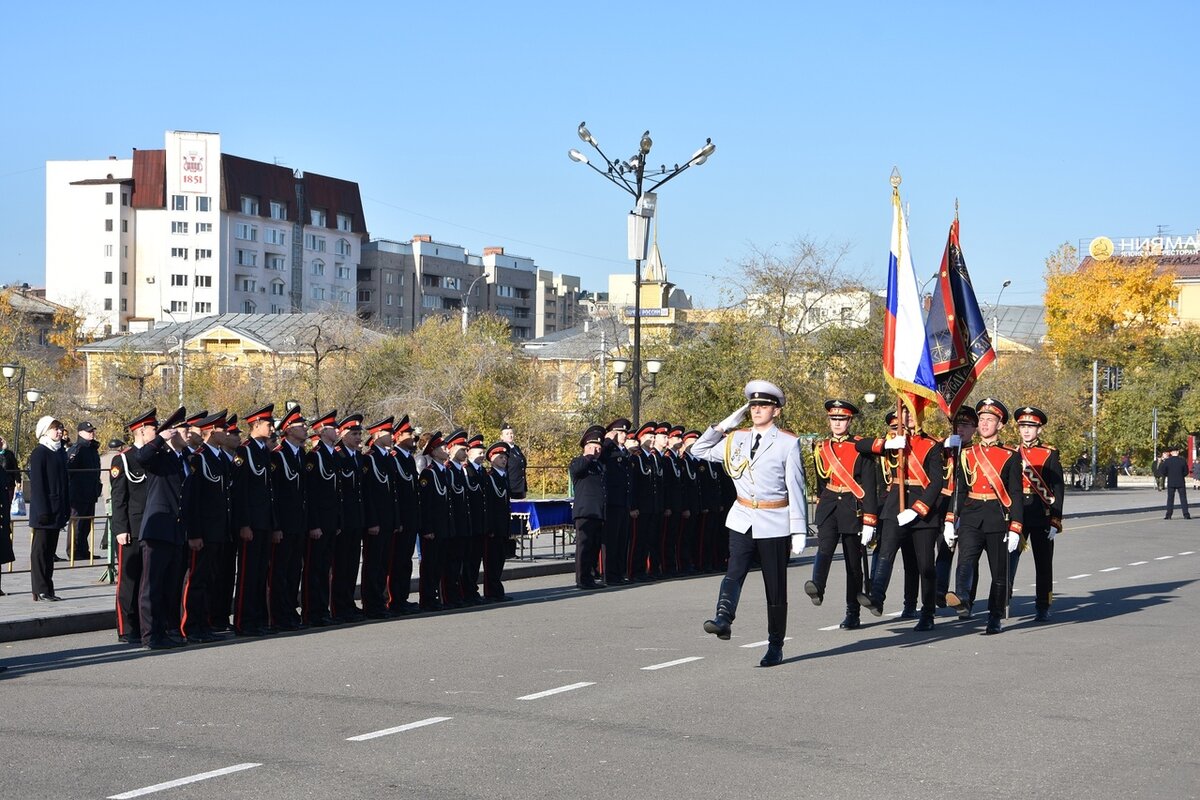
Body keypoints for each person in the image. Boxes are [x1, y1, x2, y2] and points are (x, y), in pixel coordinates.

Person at [692, 380, 809, 667]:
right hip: (743, 518)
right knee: (734, 571)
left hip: (774, 520)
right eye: (753, 406)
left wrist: (799, 529)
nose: (757, 410)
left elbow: (796, 487)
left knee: (775, 586)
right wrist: (723, 425)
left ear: (776, 411)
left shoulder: (787, 443)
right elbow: (698, 450)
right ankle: (723, 618)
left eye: (764, 406)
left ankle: (775, 644)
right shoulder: (736, 439)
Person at [856, 405, 944, 632]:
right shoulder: (893, 440)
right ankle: (877, 597)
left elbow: (936, 483)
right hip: (895, 504)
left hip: (922, 510)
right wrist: (887, 444)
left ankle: (927, 613)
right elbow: (860, 445)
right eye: (904, 412)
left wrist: (917, 509)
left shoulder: (932, 445)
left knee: (925, 564)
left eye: (912, 412)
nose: (908, 417)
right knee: (886, 552)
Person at [943, 398, 1024, 635]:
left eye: (991, 419)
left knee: (999, 573)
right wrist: (950, 519)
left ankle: (995, 616)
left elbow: (1016, 494)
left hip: (998, 518)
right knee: (965, 560)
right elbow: (959, 489)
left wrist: (1016, 527)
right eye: (982, 419)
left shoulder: (1011, 454)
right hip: (971, 514)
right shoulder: (967, 453)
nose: (985, 423)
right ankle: (963, 598)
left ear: (1000, 425)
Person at [806, 399, 878, 630]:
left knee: (853, 564)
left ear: (849, 421)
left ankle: (852, 612)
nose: (837, 423)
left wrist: (870, 520)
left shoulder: (860, 447)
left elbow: (869, 485)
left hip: (851, 506)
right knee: (824, 547)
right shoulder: (821, 447)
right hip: (829, 505)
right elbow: (820, 481)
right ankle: (817, 585)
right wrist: (820, 502)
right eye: (833, 419)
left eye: (841, 419)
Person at [135, 406, 193, 649]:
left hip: (176, 531)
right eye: (184, 429)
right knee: (152, 586)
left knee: (170, 586)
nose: (188, 432)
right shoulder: (160, 456)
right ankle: (150, 635)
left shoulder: (183, 459)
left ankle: (164, 630)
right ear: (172, 433)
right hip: (157, 530)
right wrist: (160, 438)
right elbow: (141, 458)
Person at [1012, 406, 1064, 622]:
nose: (1026, 431)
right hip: (1017, 513)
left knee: (1043, 564)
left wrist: (1055, 519)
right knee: (1007, 560)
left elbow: (1057, 489)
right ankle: (1002, 599)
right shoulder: (1012, 452)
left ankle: (1043, 604)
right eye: (1023, 426)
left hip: (1041, 514)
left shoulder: (1049, 453)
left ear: (1039, 430)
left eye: (1031, 427)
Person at [110, 409, 156, 643]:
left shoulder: (153, 456)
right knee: (129, 581)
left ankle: (142, 623)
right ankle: (126, 627)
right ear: (141, 431)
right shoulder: (124, 459)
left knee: (146, 579)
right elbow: (119, 498)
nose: (155, 432)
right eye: (153, 429)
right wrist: (120, 529)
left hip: (150, 526)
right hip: (131, 527)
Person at [232, 404, 276, 636]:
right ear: (256, 425)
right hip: (251, 523)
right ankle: (243, 621)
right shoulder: (244, 451)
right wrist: (244, 523)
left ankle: (258, 619)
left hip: (264, 521)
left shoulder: (263, 451)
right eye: (269, 424)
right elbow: (240, 492)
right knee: (248, 575)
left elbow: (268, 491)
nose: (272, 428)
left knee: (260, 573)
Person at [301, 410, 340, 627]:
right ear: (323, 432)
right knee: (313, 569)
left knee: (325, 568)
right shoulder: (314, 457)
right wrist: (314, 523)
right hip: (318, 523)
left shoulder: (333, 455)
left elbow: (337, 493)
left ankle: (322, 609)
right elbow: (312, 493)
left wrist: (337, 521)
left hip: (331, 522)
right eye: (333, 428)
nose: (337, 431)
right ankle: (311, 611)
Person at [28, 416, 70, 601]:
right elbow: (37, 485)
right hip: (44, 512)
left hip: (57, 510)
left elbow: (63, 483)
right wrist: (43, 511)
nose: (59, 432)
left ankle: (48, 588)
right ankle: (40, 588)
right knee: (40, 552)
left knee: (50, 552)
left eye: (60, 428)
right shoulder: (40, 453)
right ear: (46, 431)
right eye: (55, 429)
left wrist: (66, 507)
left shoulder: (59, 452)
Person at [330, 414, 366, 623]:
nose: (358, 437)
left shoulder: (358, 457)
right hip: (343, 520)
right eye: (354, 433)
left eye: (360, 433)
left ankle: (349, 603)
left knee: (352, 564)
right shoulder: (338, 455)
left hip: (356, 519)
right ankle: (338, 606)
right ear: (342, 434)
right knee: (340, 565)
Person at [570, 425, 607, 590]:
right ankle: (582, 579)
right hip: (585, 512)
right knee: (583, 547)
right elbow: (577, 470)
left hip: (598, 512)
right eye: (593, 447)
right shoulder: (579, 461)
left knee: (593, 547)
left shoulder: (599, 466)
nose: (597, 450)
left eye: (599, 447)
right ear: (585, 447)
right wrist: (588, 457)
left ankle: (591, 577)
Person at [600, 418, 635, 585]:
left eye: (625, 432)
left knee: (622, 540)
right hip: (612, 502)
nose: (624, 435)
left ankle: (620, 574)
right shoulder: (608, 449)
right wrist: (607, 440)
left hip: (623, 502)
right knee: (611, 541)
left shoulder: (625, 452)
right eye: (620, 432)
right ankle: (609, 574)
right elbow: (600, 457)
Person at [481, 441, 514, 601]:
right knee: (491, 561)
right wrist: (490, 527)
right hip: (493, 528)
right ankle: (491, 591)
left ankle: (497, 589)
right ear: (491, 459)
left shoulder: (503, 478)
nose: (503, 460)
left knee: (499, 559)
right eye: (500, 457)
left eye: (505, 457)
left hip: (503, 526)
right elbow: (488, 506)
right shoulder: (490, 477)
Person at [67, 420, 103, 560]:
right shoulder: (78, 448)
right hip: (78, 492)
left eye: (92, 431)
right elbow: (70, 469)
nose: (92, 433)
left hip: (90, 491)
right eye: (89, 431)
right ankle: (74, 551)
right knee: (77, 522)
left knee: (86, 524)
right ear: (80, 433)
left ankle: (83, 549)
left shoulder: (92, 448)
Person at [1158, 447, 1191, 519]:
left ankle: (1168, 515)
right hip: (1181, 481)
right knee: (1183, 499)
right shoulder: (1182, 461)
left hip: (1171, 482)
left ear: (1171, 453)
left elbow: (1163, 471)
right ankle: (1186, 514)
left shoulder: (1167, 461)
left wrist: (1169, 475)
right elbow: (1186, 472)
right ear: (1178, 452)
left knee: (1170, 499)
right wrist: (1181, 475)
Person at [500, 423, 528, 500]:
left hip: (521, 487)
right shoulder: (502, 450)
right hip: (511, 488)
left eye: (511, 433)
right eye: (507, 434)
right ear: (502, 437)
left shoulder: (516, 448)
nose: (510, 435)